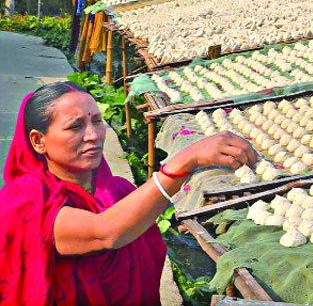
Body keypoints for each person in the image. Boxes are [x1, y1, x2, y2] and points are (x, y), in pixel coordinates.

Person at [0, 82, 258, 305]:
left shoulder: (120, 192)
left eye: (97, 121)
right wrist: (183, 163)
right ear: (38, 141)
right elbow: (105, 233)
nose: (93, 135)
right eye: (75, 126)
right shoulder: (25, 203)